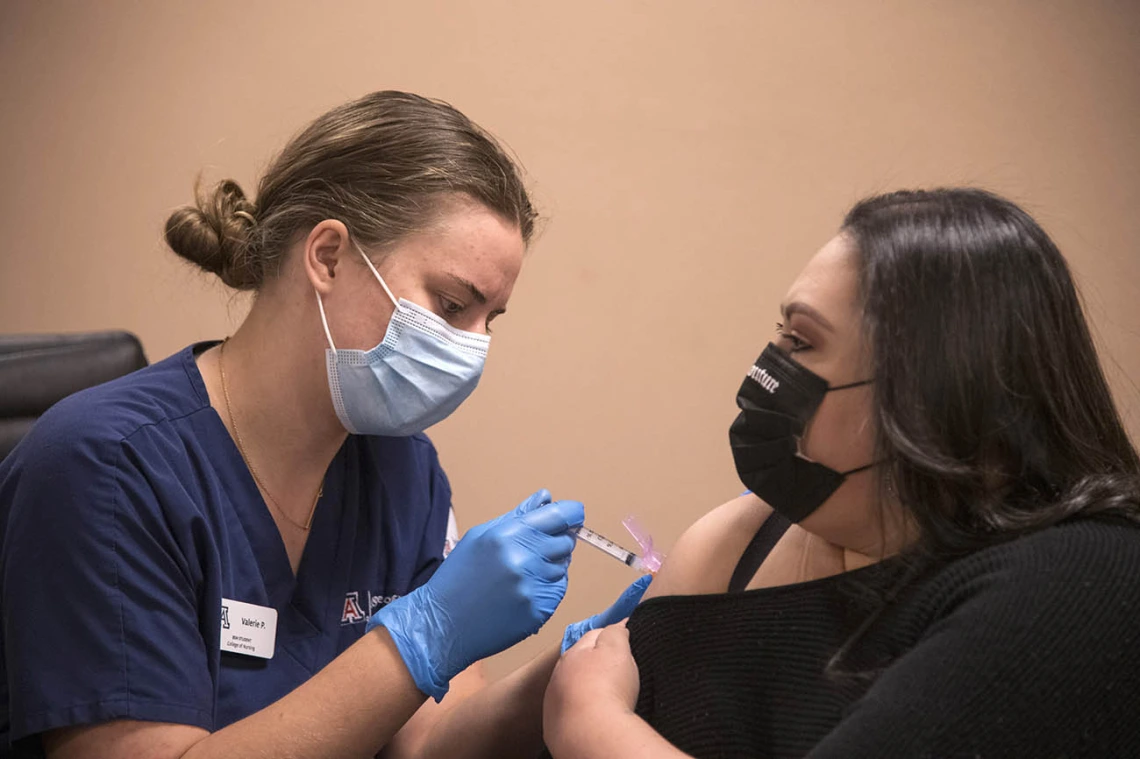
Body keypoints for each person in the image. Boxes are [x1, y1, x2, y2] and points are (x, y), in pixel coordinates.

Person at [0, 90, 642, 759]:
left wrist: (575, 672)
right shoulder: (105, 468)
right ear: (328, 256)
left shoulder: (403, 470)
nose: (473, 349)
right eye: (453, 304)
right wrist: (422, 635)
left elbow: (426, 742)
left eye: (490, 320)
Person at [542, 188, 1140, 758]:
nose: (769, 369)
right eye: (781, 332)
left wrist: (591, 723)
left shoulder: (1082, 578)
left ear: (929, 396)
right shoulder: (748, 538)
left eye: (802, 341)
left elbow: (602, 712)